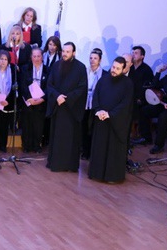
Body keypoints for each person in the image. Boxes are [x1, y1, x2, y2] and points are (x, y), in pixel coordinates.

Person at [88, 57, 134, 184]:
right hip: (101, 119)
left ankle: (112, 176)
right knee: (100, 147)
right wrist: (98, 110)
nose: (114, 70)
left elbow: (125, 104)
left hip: (116, 122)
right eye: (113, 67)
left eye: (118, 69)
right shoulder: (103, 79)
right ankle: (96, 173)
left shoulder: (127, 84)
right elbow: (96, 96)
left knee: (113, 149)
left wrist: (110, 114)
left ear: (123, 69)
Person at [46, 42, 87, 172]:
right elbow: (49, 85)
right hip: (58, 107)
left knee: (70, 138)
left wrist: (67, 98)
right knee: (57, 137)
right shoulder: (56, 65)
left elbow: (82, 88)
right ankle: (56, 163)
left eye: (68, 52)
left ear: (73, 53)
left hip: (71, 109)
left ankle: (69, 165)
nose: (64, 54)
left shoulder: (81, 67)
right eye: (63, 51)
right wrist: (57, 96)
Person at [19, 46, 46, 153]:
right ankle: (26, 146)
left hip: (41, 103)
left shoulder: (48, 69)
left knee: (38, 126)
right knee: (27, 125)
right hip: (28, 102)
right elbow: (22, 85)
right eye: (34, 56)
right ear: (31, 57)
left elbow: (49, 86)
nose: (36, 58)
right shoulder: (25, 68)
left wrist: (42, 99)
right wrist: (29, 98)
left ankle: (36, 146)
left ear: (42, 57)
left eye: (38, 56)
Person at [81, 48, 106, 160]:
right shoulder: (84, 72)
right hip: (84, 104)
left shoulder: (104, 74)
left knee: (93, 129)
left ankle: (93, 152)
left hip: (96, 105)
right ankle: (85, 151)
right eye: (91, 58)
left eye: (95, 58)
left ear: (100, 60)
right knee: (84, 128)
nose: (92, 60)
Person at [127, 45, 155, 144]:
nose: (133, 55)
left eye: (136, 53)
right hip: (129, 97)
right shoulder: (129, 68)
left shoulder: (146, 70)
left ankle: (145, 137)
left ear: (142, 56)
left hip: (141, 99)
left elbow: (149, 87)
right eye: (132, 53)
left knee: (142, 110)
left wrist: (140, 98)